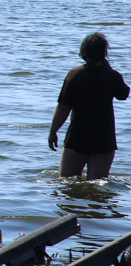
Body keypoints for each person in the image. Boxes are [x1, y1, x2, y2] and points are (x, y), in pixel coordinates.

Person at [48, 33, 129, 179]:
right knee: (98, 185)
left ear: (83, 51)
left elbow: (63, 107)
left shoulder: (74, 74)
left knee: (67, 184)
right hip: (104, 139)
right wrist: (109, 69)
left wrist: (53, 132)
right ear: (104, 52)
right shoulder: (112, 76)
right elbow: (123, 95)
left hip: (77, 137)